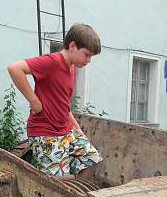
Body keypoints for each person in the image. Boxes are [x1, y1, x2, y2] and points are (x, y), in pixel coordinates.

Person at [7, 23, 103, 179]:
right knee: (58, 182)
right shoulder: (52, 62)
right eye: (87, 54)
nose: (89, 60)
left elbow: (63, 103)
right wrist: (33, 100)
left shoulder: (72, 67)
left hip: (65, 129)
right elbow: (14, 68)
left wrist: (77, 128)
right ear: (72, 46)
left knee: (92, 160)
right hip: (45, 132)